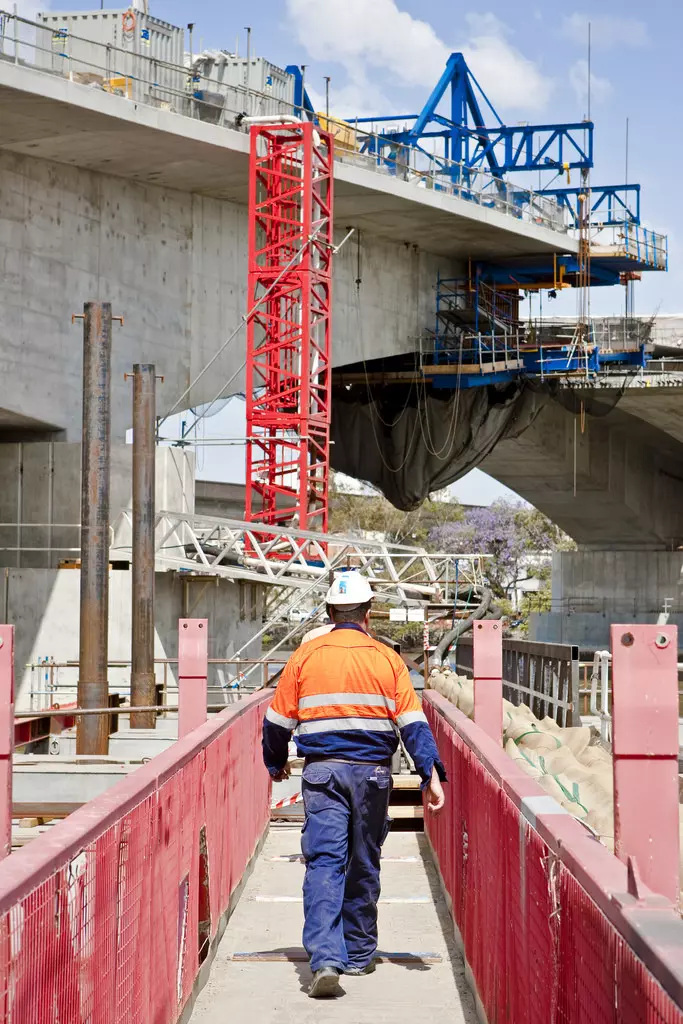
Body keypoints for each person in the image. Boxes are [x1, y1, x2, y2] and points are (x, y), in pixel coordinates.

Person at [262, 571, 446, 999]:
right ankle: (360, 954)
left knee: (325, 862)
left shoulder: (306, 656)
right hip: (373, 775)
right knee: (364, 860)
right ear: (367, 613)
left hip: (322, 772)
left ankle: (326, 958)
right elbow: (412, 723)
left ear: (329, 612)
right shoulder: (386, 659)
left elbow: (276, 722)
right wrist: (429, 773)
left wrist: (274, 764)